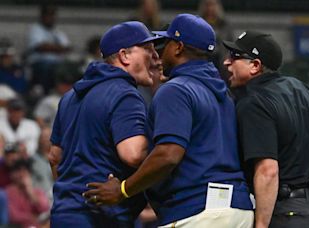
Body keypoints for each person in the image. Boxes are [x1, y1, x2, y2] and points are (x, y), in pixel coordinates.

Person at [83, 14, 254, 228]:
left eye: (165, 45)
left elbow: (168, 154)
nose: (158, 55)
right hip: (238, 209)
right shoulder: (224, 94)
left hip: (198, 211)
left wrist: (124, 189)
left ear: (178, 47)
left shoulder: (176, 89)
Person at [222, 30, 309, 227]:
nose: (226, 62)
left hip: (289, 214)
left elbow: (268, 170)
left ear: (255, 66)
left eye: (235, 56)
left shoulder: (253, 102)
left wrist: (261, 225)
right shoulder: (302, 88)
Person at [47, 21, 161, 227]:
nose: (155, 57)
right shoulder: (125, 94)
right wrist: (168, 146)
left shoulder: (70, 96)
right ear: (124, 55)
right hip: (99, 216)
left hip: (65, 213)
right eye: (147, 49)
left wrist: (71, 196)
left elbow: (55, 158)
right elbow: (133, 153)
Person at [26, 4, 71, 95]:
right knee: (48, 67)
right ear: (42, 16)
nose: (51, 17)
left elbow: (68, 47)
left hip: (58, 63)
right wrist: (58, 48)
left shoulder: (57, 31)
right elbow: (40, 47)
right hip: (39, 63)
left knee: (73, 67)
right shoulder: (36, 29)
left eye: (53, 15)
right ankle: (46, 93)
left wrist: (50, 47)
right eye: (48, 15)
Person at [5, 158, 50, 228]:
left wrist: (30, 191)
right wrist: (32, 218)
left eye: (25, 171)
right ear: (12, 174)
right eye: (18, 170)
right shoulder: (8, 192)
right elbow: (12, 216)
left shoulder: (37, 191)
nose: (22, 174)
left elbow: (45, 209)